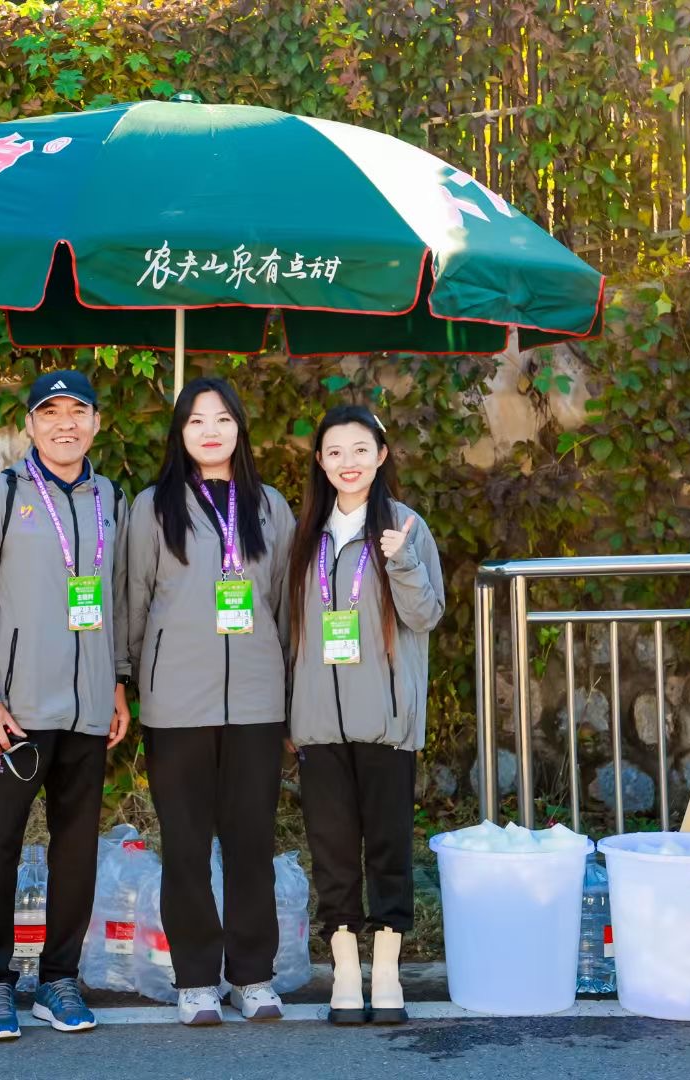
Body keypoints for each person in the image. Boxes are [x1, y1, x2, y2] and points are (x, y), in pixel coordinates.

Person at [0, 370, 131, 1041]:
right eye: (49, 412)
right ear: (29, 425)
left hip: (87, 710)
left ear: (96, 423)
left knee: (75, 849)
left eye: (77, 411)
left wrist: (116, 680)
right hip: (14, 713)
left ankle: (59, 979)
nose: (64, 424)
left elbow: (116, 599)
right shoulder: (0, 498)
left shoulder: (111, 499)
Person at [121, 377, 296, 1026]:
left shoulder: (270, 506)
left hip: (256, 701)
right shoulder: (153, 507)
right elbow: (134, 599)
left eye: (222, 418)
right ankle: (196, 979)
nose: (210, 431)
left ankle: (252, 975)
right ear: (181, 433)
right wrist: (128, 675)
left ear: (239, 428)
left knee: (251, 843)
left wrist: (289, 691)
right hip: (176, 702)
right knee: (186, 845)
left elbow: (287, 604)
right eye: (196, 420)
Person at [285, 404, 444, 1027]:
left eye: (359, 450)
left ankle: (387, 971)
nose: (347, 462)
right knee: (330, 850)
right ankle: (346, 972)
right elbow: (288, 630)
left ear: (381, 456)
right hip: (319, 723)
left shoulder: (407, 526)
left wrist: (401, 560)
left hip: (386, 720)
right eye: (334, 452)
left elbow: (426, 616)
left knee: (388, 848)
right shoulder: (305, 534)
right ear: (320, 462)